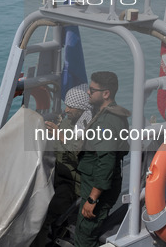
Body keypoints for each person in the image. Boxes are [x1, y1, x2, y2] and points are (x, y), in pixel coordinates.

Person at [32, 84, 92, 246]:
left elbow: (81, 155)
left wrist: (59, 135)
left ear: (81, 107)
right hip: (55, 177)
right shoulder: (67, 123)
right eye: (66, 105)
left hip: (73, 185)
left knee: (42, 216)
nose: (67, 110)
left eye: (71, 107)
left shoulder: (89, 128)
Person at [74, 72, 130, 247]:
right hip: (94, 183)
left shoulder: (106, 123)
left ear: (106, 94)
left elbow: (106, 162)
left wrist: (92, 199)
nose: (88, 93)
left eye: (92, 90)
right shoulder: (109, 114)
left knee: (85, 234)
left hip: (96, 188)